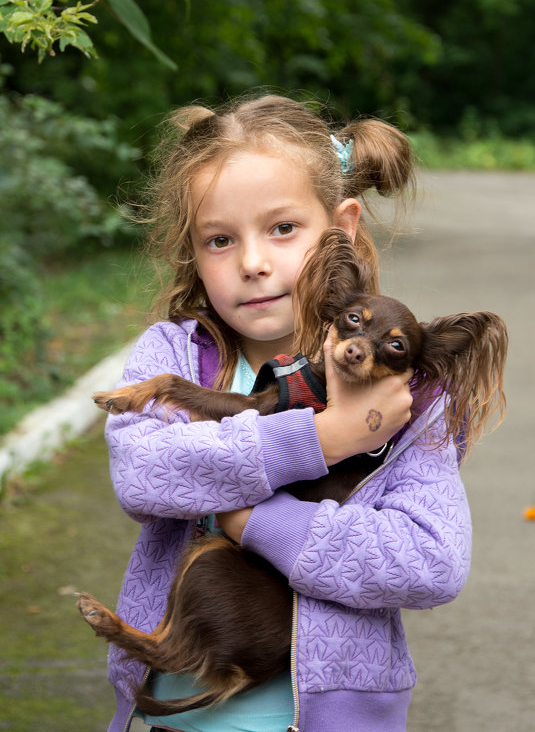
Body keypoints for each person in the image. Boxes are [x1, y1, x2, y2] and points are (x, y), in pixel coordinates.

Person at [103, 94, 471, 732]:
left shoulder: (406, 400)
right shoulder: (176, 356)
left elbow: (431, 560)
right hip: (178, 714)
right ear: (192, 248)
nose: (252, 262)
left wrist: (258, 523)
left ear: (341, 229)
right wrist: (321, 438)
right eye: (220, 239)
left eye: (282, 229)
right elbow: (144, 474)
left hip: (332, 719)